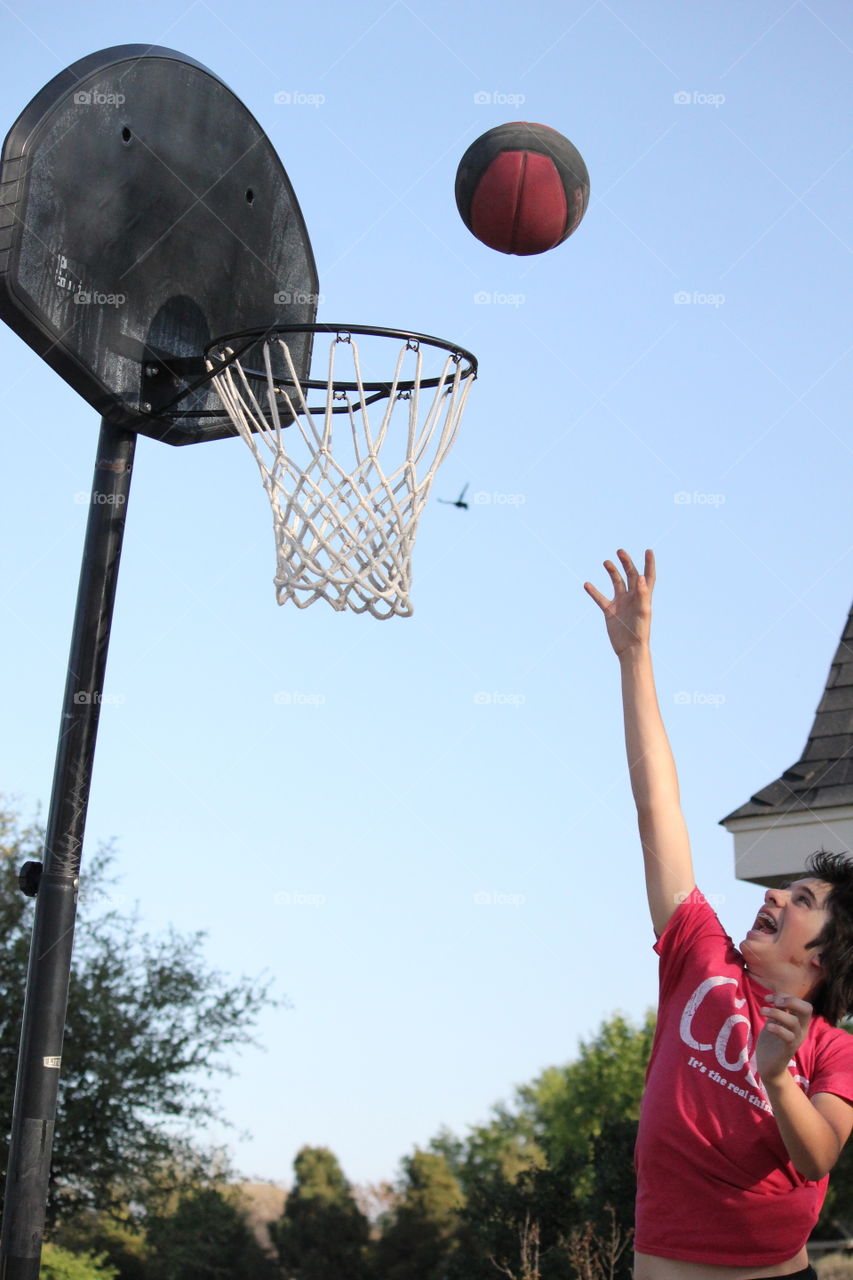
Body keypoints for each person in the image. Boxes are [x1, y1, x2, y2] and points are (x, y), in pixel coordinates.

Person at [584, 548, 853, 1280]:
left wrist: (777, 1078)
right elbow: (658, 808)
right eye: (784, 889)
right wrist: (634, 657)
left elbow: (818, 1156)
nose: (773, 896)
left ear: (822, 958)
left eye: (801, 901)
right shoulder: (699, 953)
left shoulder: (830, 1051)